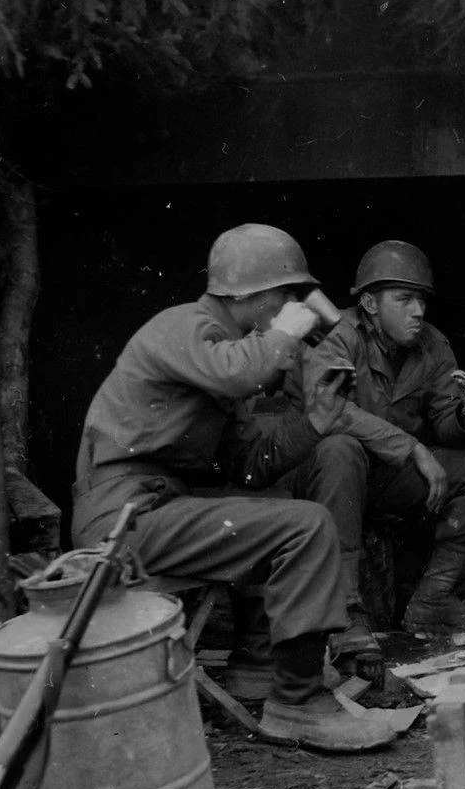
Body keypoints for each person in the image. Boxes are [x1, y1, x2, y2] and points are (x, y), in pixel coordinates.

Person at [71, 224, 394, 753]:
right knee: (305, 524)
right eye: (287, 294)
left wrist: (313, 422)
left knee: (287, 511)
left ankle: (263, 667)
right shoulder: (183, 328)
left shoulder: (226, 356)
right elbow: (236, 375)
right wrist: (288, 332)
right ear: (248, 294)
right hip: (120, 519)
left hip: (157, 509)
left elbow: (248, 466)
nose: (294, 305)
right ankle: (299, 702)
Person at [291, 240, 465, 647]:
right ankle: (347, 610)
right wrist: (413, 448)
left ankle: (431, 598)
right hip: (323, 481)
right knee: (341, 450)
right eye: (405, 299)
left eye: (422, 300)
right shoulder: (335, 333)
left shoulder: (432, 344)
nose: (419, 310)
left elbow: (446, 424)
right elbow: (330, 410)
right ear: (371, 304)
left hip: (385, 479)